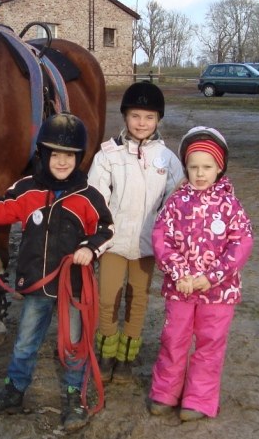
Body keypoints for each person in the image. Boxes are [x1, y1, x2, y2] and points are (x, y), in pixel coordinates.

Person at [0, 113, 114, 432]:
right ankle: (15, 389)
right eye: (54, 154)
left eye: (68, 155)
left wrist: (89, 248)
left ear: (78, 158)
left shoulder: (88, 196)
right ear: (43, 154)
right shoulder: (27, 189)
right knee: (25, 343)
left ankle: (75, 396)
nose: (61, 161)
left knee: (74, 346)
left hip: (71, 288)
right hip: (36, 286)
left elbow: (106, 229)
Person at [147, 126, 254, 422]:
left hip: (218, 291)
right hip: (180, 287)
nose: (200, 173)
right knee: (173, 338)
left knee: (210, 343)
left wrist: (213, 275)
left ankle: (199, 397)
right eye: (193, 167)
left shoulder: (230, 205)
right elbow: (161, 237)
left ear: (219, 167)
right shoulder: (176, 203)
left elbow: (241, 242)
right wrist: (179, 271)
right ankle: (166, 391)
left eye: (207, 167)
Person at [87, 81, 182, 383]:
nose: (142, 123)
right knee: (108, 298)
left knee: (138, 298)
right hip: (113, 243)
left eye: (149, 117)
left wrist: (167, 237)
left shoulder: (168, 160)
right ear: (125, 117)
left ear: (158, 120)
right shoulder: (107, 156)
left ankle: (127, 356)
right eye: (136, 116)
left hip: (147, 246)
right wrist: (96, 238)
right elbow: (95, 198)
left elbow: (176, 201)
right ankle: (107, 352)